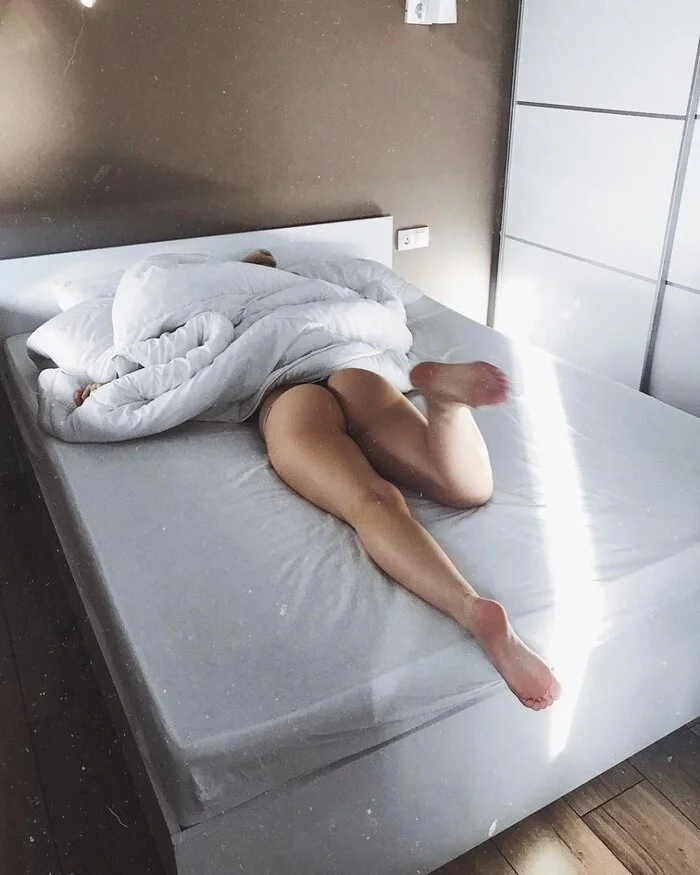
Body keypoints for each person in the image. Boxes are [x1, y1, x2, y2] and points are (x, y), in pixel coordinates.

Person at [75, 250, 561, 711]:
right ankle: (445, 407)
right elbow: (376, 307)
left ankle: (469, 608)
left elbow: (173, 361)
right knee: (466, 489)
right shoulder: (310, 288)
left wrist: (110, 388)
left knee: (371, 502)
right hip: (353, 370)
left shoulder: (207, 307)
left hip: (286, 394)